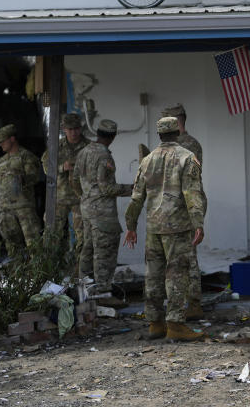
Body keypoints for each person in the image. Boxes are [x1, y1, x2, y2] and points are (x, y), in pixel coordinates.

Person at [124, 117, 206, 342]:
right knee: (177, 275)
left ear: (159, 134)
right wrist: (198, 222)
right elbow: (192, 194)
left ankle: (155, 323)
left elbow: (136, 197)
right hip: (177, 227)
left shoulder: (147, 160)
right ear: (177, 133)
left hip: (153, 227)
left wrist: (131, 226)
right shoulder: (187, 158)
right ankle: (176, 324)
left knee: (153, 275)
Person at [73, 119, 132, 302]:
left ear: (97, 133)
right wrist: (133, 189)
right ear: (112, 137)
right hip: (103, 215)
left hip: (87, 210)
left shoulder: (83, 152)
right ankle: (103, 292)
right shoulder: (105, 156)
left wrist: (86, 198)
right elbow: (107, 188)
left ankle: (85, 290)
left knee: (88, 249)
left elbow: (74, 180)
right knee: (104, 251)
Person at [160, 104, 206, 320]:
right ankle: (183, 300)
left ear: (177, 121)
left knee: (189, 254)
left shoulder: (188, 145)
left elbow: (188, 179)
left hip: (187, 204)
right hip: (174, 206)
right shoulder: (175, 145)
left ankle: (194, 302)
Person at [0, 124, 42, 251]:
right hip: (6, 211)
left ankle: (36, 271)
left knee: (34, 246)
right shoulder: (1, 161)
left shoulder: (26, 156)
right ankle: (16, 271)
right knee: (12, 249)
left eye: (3, 141)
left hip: (24, 209)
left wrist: (22, 178)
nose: (0, 144)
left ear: (12, 139)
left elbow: (35, 177)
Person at [42, 113, 90, 254]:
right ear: (64, 129)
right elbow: (46, 166)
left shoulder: (88, 146)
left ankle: (80, 269)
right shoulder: (57, 146)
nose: (74, 132)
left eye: (76, 129)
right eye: (70, 129)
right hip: (59, 197)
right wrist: (62, 167)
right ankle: (52, 268)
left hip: (81, 198)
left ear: (80, 129)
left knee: (84, 235)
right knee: (52, 234)